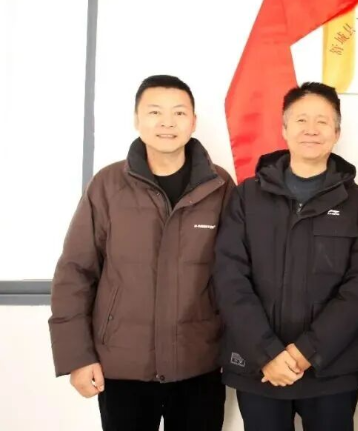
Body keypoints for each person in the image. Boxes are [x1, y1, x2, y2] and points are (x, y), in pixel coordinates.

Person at [49, 75, 234, 431]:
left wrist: (237, 352)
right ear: (137, 119)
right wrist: (77, 357)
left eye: (179, 112)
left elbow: (236, 274)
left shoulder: (220, 186)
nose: (167, 122)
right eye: (154, 112)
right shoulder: (108, 185)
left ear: (194, 121)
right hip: (122, 366)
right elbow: (75, 272)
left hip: (199, 363)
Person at [213, 82, 358, 431]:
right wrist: (267, 353)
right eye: (301, 120)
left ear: (337, 133)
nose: (311, 129)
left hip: (331, 370)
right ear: (284, 128)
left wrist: (307, 351)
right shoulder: (247, 197)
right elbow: (230, 279)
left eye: (322, 121)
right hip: (259, 370)